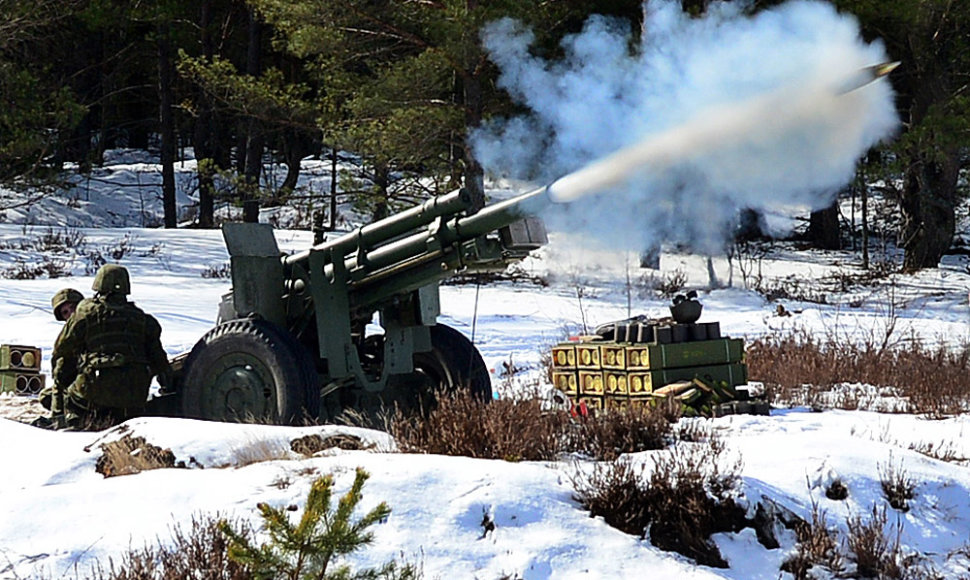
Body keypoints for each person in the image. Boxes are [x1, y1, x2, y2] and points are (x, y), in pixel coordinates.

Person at [51, 264, 172, 430]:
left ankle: (74, 423)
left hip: (93, 395)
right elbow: (160, 362)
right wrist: (167, 388)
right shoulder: (144, 320)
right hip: (133, 398)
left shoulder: (85, 314)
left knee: (69, 390)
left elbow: (61, 350)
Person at [36, 288, 84, 417]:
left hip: (91, 388)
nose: (71, 314)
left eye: (73, 307)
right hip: (81, 387)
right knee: (46, 396)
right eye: (65, 312)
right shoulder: (68, 336)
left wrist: (57, 418)